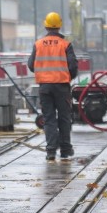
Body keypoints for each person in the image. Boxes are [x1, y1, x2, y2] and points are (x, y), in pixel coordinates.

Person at [27, 11, 78, 161]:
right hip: (62, 87)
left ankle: (50, 151)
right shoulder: (65, 44)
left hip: (45, 88)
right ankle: (65, 149)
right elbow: (73, 66)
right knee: (64, 118)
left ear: (46, 25)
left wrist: (44, 74)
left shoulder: (38, 44)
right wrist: (67, 77)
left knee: (49, 119)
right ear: (59, 26)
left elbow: (31, 65)